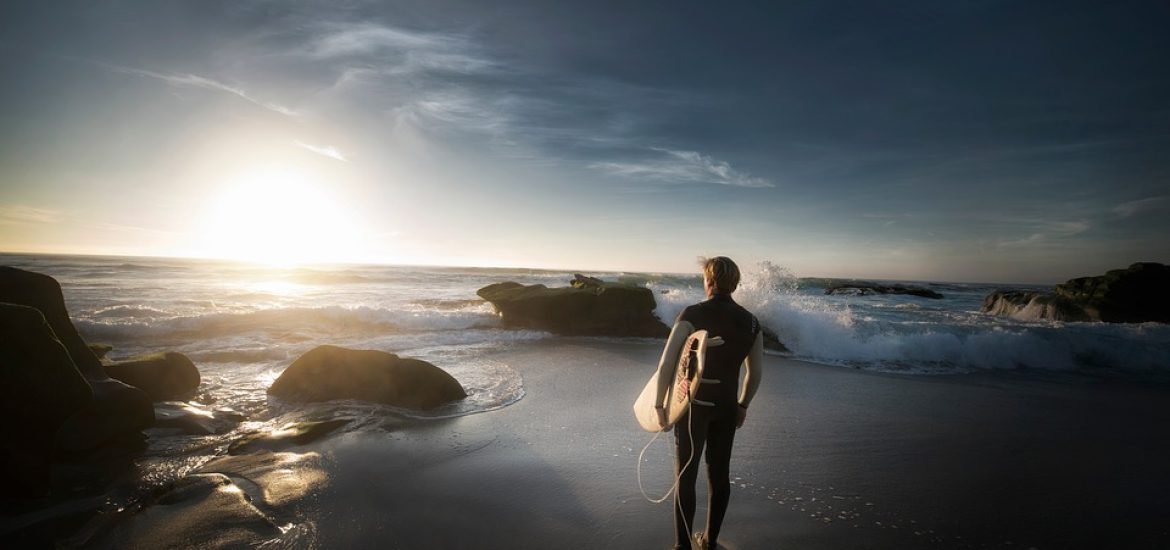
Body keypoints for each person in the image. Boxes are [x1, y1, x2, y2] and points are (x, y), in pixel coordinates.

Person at [654, 256, 763, 550]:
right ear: (735, 284)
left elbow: (666, 363)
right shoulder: (752, 322)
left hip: (693, 406)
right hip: (727, 407)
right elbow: (755, 373)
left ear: (709, 281)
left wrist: (659, 405)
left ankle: (683, 546)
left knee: (685, 476)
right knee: (719, 475)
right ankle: (711, 541)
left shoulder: (693, 313)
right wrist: (743, 405)